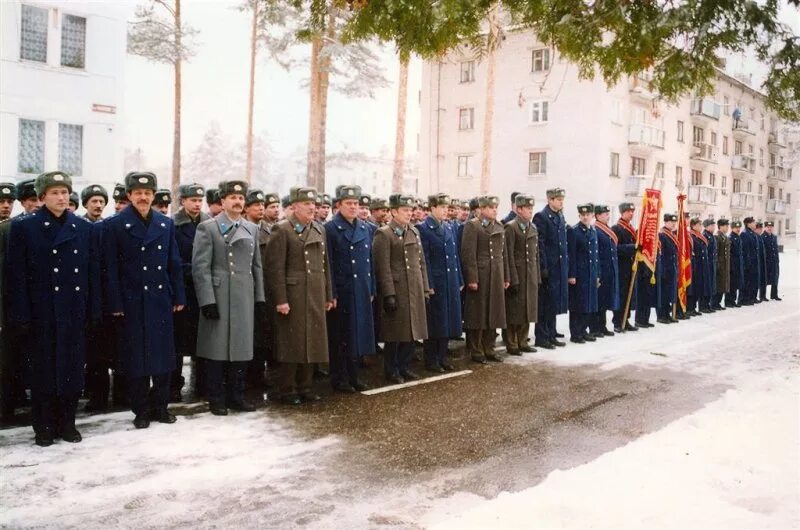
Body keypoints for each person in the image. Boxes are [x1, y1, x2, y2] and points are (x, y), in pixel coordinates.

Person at [6, 171, 100, 446]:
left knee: (71, 370)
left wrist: (93, 311)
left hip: (73, 311)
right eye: (55, 192)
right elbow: (16, 276)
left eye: (64, 192)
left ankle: (67, 423)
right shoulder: (24, 228)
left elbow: (92, 273)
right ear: (42, 196)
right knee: (44, 372)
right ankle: (44, 427)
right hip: (42, 313)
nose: (61, 197)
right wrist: (21, 315)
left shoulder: (83, 228)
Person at [102, 171, 186, 429]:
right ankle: (140, 410)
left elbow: (173, 262)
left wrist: (178, 294)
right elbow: (110, 268)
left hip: (160, 299)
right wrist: (115, 303)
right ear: (129, 196)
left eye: (148, 193)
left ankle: (160, 407)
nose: (143, 197)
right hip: (132, 302)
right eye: (138, 193)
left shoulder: (165, 224)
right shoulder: (114, 225)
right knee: (137, 359)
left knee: (163, 358)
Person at [193, 180, 265, 415]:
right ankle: (216, 398)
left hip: (243, 294)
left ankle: (236, 396)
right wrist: (207, 300)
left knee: (241, 348)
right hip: (219, 293)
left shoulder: (252, 228)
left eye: (241, 198)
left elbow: (257, 267)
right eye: (232, 198)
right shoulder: (209, 227)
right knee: (217, 350)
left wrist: (259, 297)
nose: (237, 202)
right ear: (222, 201)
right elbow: (200, 267)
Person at [266, 187, 334, 404]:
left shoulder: (318, 229)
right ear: (294, 206)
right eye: (306, 204)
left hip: (314, 291)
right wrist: (281, 299)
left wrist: (328, 294)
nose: (312, 207)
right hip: (293, 294)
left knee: (312, 341)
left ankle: (305, 386)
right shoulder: (282, 230)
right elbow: (275, 268)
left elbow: (325, 265)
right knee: (292, 343)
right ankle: (287, 389)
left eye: (313, 204)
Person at [373, 193, 430, 382]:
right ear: (394, 211)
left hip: (414, 288)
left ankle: (404, 366)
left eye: (410, 210)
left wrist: (425, 288)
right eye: (405, 210)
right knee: (395, 333)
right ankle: (392, 370)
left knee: (413, 331)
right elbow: (383, 266)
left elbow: (420, 262)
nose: (409, 213)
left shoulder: (413, 231)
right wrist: (389, 293)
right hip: (398, 290)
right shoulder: (384, 233)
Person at [325, 185, 376, 391]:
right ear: (339, 205)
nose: (354, 207)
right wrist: (332, 293)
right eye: (349, 203)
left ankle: (354, 376)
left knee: (358, 335)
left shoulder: (365, 228)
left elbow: (370, 262)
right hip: (343, 290)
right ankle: (340, 378)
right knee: (342, 336)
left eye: (356, 204)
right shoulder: (330, 228)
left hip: (361, 288)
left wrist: (371, 288)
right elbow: (327, 263)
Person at [171, 183, 209, 401]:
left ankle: (203, 384)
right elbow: (173, 259)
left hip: (204, 290)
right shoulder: (173, 225)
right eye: (192, 200)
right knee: (178, 342)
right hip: (184, 289)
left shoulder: (209, 224)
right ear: (182, 201)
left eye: (199, 200)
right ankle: (174, 386)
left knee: (203, 340)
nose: (196, 204)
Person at [461, 195, 509, 363]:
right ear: (481, 209)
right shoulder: (472, 226)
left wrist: (506, 276)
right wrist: (472, 278)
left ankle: (489, 347)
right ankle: (476, 349)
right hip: (480, 275)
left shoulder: (499, 226)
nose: (494, 210)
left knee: (494, 312)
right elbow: (468, 255)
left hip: (496, 275)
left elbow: (504, 255)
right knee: (478, 314)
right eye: (490, 207)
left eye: (496, 207)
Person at [418, 193, 463, 371]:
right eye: (442, 207)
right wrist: (428, 284)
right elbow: (425, 259)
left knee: (448, 320)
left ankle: (442, 356)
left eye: (447, 207)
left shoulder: (449, 227)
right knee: (435, 322)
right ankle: (432, 359)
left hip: (450, 280)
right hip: (436, 281)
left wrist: (459, 278)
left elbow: (454, 256)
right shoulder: (424, 228)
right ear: (433, 208)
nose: (445, 211)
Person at [503, 194, 540, 354]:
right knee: (514, 311)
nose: (530, 211)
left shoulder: (533, 228)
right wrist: (512, 278)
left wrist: (537, 276)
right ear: (518, 209)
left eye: (532, 208)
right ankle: (511, 343)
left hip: (530, 274)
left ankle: (523, 341)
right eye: (527, 208)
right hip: (517, 274)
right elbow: (508, 254)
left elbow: (536, 255)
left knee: (528, 310)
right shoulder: (511, 227)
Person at [250, 192, 280, 390]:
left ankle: (258, 375)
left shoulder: (270, 230)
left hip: (266, 288)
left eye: (263, 204)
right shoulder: (244, 228)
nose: (261, 208)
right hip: (248, 287)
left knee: (262, 334)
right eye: (257, 204)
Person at [533, 188, 568, 348]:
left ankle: (551, 333)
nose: (561, 202)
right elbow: (540, 244)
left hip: (558, 267)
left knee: (553, 302)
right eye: (558, 199)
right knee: (544, 303)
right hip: (548, 268)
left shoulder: (559, 216)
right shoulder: (542, 217)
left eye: (562, 199)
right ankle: (542, 336)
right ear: (550, 200)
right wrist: (543, 267)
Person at [567, 204, 599, 343]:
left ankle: (583, 330)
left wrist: (597, 274)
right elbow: (571, 255)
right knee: (578, 304)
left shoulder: (593, 230)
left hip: (590, 274)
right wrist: (571, 274)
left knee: (588, 303)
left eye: (588, 215)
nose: (585, 217)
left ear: (592, 216)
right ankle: (576, 333)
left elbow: (595, 256)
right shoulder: (574, 231)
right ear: (579, 216)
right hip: (579, 274)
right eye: (583, 215)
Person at [591, 204, 619, 336]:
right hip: (601, 269)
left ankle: (602, 326)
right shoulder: (596, 230)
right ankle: (595, 327)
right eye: (604, 214)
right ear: (597, 216)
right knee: (599, 300)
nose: (607, 216)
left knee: (605, 300)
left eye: (608, 214)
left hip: (609, 270)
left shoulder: (606, 230)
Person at [612, 203, 638, 332]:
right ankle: (618, 321)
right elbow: (616, 249)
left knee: (629, 294)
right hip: (621, 266)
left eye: (632, 211)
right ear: (622, 213)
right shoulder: (617, 228)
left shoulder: (631, 228)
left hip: (630, 266)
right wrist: (632, 247)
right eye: (628, 211)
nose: (631, 213)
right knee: (621, 294)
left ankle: (625, 319)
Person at [656, 214, 679, 324]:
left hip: (671, 267)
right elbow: (661, 254)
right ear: (665, 222)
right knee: (663, 293)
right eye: (671, 222)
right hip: (664, 268)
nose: (673, 223)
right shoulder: (662, 235)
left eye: (674, 222)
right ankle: (661, 315)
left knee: (669, 292)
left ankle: (667, 314)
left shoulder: (672, 235)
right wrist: (662, 269)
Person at [687, 218, 711, 315]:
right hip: (695, 265)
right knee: (694, 287)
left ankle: (694, 308)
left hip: (702, 265)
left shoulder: (700, 236)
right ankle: (690, 308)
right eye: (698, 225)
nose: (700, 227)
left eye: (701, 225)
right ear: (693, 226)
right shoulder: (691, 236)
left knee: (699, 286)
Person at [739, 217, 760, 305]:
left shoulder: (752, 233)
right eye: (754, 222)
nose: (755, 224)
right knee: (747, 281)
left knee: (753, 281)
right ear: (748, 224)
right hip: (748, 262)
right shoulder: (744, 234)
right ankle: (744, 299)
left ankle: (751, 297)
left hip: (754, 261)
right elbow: (745, 250)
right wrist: (747, 263)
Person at [712, 219, 731, 310]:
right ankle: (714, 303)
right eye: (726, 226)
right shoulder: (717, 237)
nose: (727, 227)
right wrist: (718, 264)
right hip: (720, 264)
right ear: (721, 226)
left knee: (723, 284)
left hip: (725, 264)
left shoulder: (725, 237)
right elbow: (716, 252)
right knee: (718, 284)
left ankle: (718, 302)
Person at [726, 221, 745, 308]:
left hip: (738, 264)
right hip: (733, 264)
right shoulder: (730, 238)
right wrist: (731, 266)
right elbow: (730, 254)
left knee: (736, 283)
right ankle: (729, 301)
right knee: (732, 284)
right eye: (736, 228)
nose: (738, 229)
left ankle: (733, 300)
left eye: (739, 228)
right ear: (732, 228)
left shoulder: (738, 237)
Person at [700, 219, 717, 311]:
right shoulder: (704, 236)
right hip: (706, 263)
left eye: (714, 225)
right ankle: (703, 305)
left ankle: (708, 304)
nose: (713, 227)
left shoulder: (711, 236)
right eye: (711, 225)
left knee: (710, 284)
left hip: (711, 263)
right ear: (706, 226)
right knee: (706, 285)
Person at [762, 221, 780, 301]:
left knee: (775, 278)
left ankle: (774, 295)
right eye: (768, 227)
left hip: (774, 261)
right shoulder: (762, 237)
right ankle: (763, 296)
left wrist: (777, 260)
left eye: (771, 227)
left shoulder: (774, 237)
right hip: (766, 262)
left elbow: (775, 250)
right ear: (765, 227)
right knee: (765, 278)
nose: (769, 228)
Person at [754, 221, 767, 303]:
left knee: (763, 280)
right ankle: (756, 296)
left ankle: (763, 295)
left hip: (762, 262)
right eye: (758, 229)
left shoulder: (760, 237)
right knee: (757, 280)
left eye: (761, 229)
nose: (760, 230)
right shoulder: (756, 237)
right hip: (757, 262)